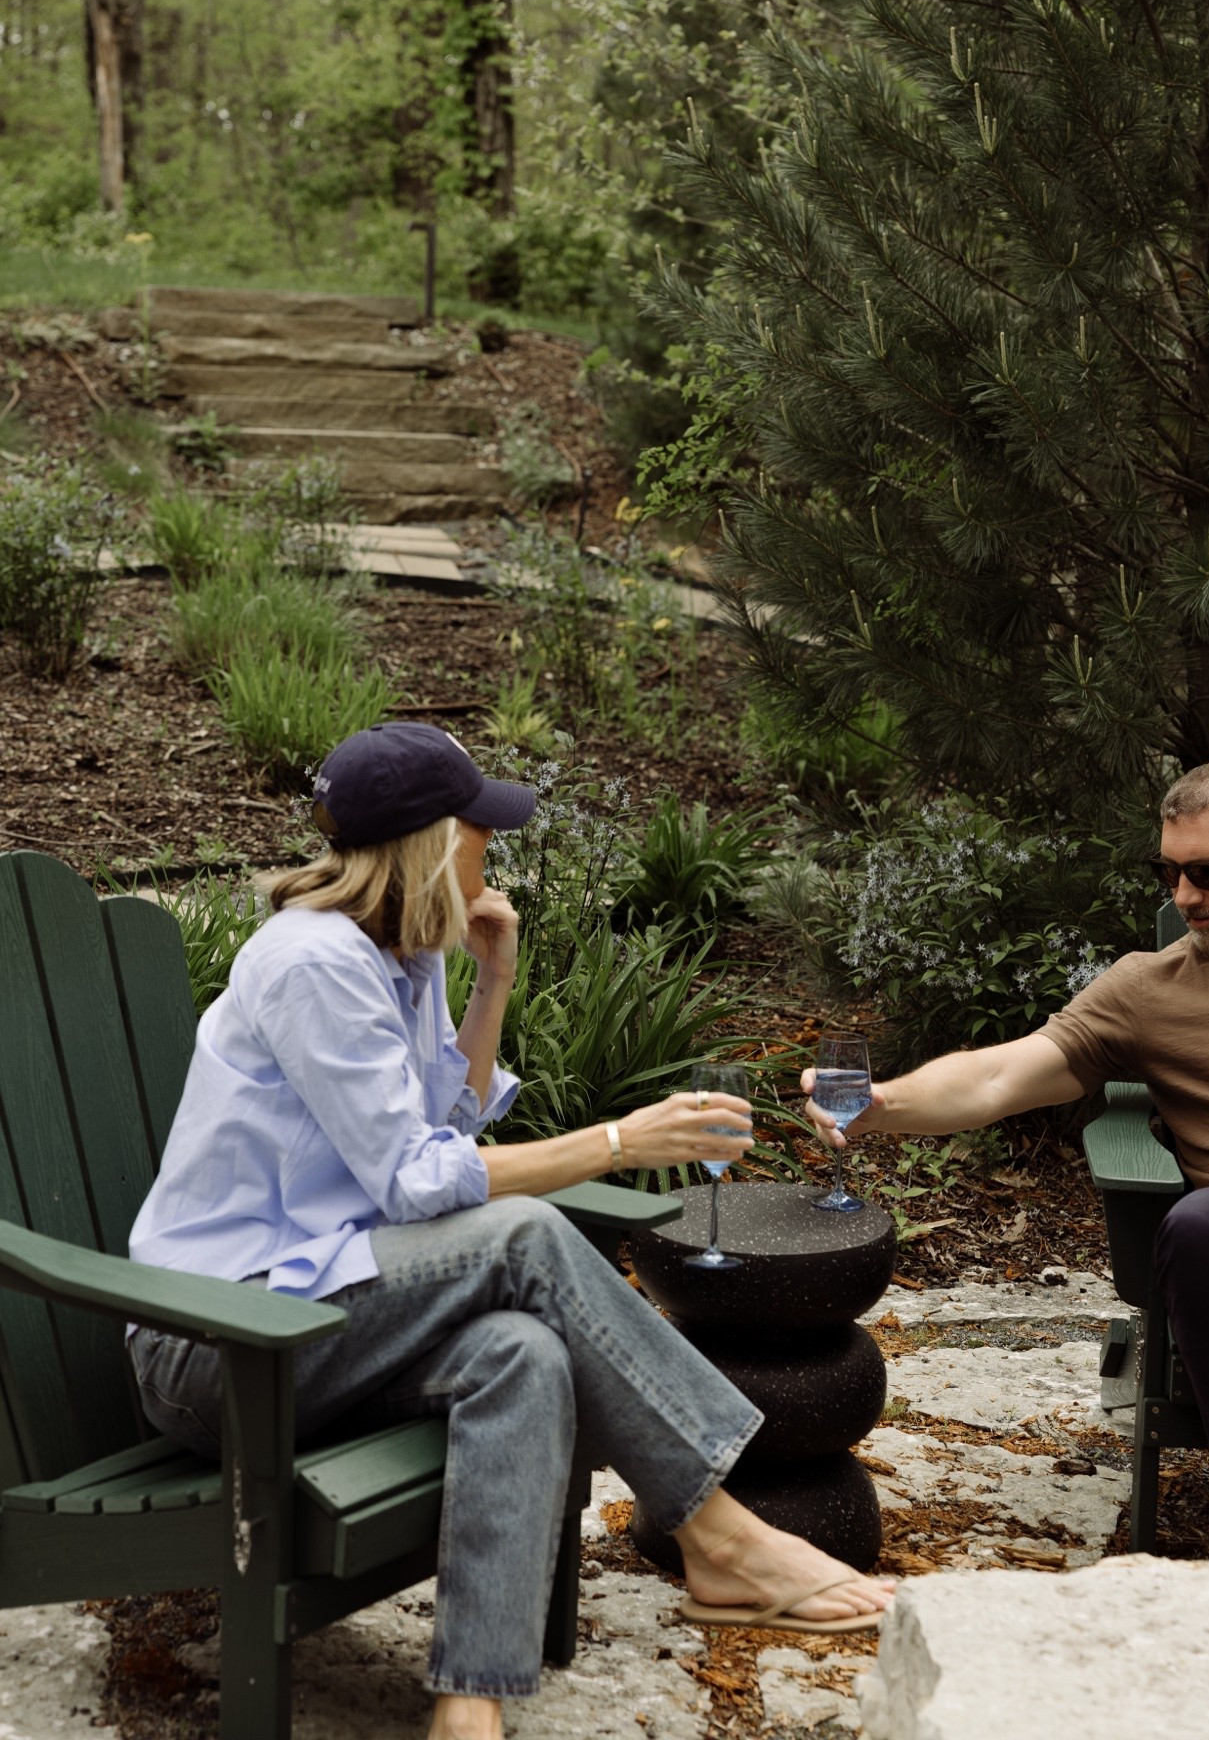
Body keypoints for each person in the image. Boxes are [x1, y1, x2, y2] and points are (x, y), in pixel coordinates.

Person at [128, 723, 892, 1740]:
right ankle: (720, 1529)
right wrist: (618, 1139)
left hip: (329, 1310)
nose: (495, 843)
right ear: (434, 841)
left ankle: (469, 1698)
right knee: (524, 1234)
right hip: (216, 1339)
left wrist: (489, 980)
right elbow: (416, 1185)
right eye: (480, 825)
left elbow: (445, 1131)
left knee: (521, 1353)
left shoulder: (400, 954)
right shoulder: (312, 962)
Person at [806, 759, 1209, 1578]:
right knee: (1203, 1225)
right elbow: (999, 1075)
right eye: (1169, 872)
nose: (1183, 897)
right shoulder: (1146, 991)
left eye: (1204, 872)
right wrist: (884, 1105)